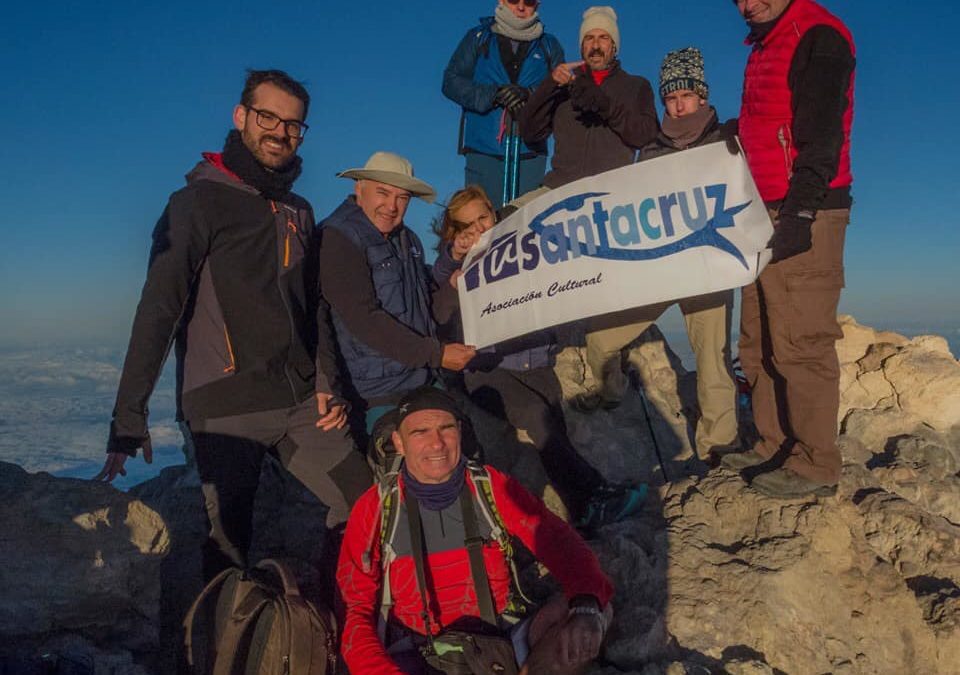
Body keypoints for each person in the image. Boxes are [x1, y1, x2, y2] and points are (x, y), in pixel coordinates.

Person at [95, 70, 372, 581]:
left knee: (367, 503)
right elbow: (159, 309)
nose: (280, 132)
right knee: (227, 545)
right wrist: (128, 418)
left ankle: (338, 623)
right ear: (240, 116)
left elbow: (316, 307)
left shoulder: (299, 210)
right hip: (226, 407)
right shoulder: (196, 202)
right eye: (268, 117)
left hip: (299, 402)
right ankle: (223, 647)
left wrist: (328, 382)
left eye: (293, 124)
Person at [337, 386, 614, 674]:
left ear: (459, 431)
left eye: (446, 428)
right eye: (420, 432)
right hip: (420, 652)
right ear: (399, 442)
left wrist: (585, 604)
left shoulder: (490, 487)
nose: (437, 444)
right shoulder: (376, 507)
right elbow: (355, 610)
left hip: (499, 638)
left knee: (595, 610)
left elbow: (557, 542)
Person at [431, 185, 647, 528]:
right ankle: (594, 498)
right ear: (455, 234)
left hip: (535, 358)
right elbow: (439, 288)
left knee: (555, 428)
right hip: (488, 368)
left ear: (493, 212)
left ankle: (584, 508)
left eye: (483, 218)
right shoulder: (457, 265)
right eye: (467, 226)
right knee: (537, 419)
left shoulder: (517, 241)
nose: (479, 230)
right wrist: (455, 261)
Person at [572, 47, 741, 465]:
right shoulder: (651, 148)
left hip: (708, 266)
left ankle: (718, 443)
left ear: (702, 97)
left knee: (712, 357)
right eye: (670, 97)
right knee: (601, 339)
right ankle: (612, 391)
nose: (678, 104)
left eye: (686, 95)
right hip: (658, 268)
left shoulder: (728, 139)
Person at [720, 0, 856, 498]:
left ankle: (817, 464)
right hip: (762, 208)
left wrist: (801, 210)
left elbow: (823, 132)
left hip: (804, 209)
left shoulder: (816, 34)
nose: (745, 4)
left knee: (802, 341)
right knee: (758, 338)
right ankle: (771, 443)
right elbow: (773, 120)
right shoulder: (766, 42)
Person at [317, 152, 476, 437]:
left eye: (402, 198)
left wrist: (452, 271)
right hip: (375, 391)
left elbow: (425, 299)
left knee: (465, 447)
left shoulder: (408, 238)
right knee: (400, 463)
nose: (392, 206)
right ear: (359, 188)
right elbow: (363, 319)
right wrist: (437, 354)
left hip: (423, 378)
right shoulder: (338, 237)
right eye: (383, 193)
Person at [516, 5, 658, 205]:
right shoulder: (563, 87)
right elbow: (530, 132)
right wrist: (549, 85)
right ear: (582, 46)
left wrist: (607, 107)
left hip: (612, 195)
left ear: (614, 46)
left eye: (604, 38)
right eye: (589, 38)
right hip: (558, 190)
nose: (596, 45)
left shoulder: (636, 86)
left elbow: (646, 136)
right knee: (503, 221)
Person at [442, 0, 564, 208]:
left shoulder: (549, 45)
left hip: (530, 150)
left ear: (538, 4)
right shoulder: (479, 38)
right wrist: (494, 94)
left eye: (529, 2)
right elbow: (451, 82)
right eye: (514, 0)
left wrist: (529, 94)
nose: (521, 7)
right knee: (483, 224)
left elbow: (559, 91)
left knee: (525, 223)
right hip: (484, 148)